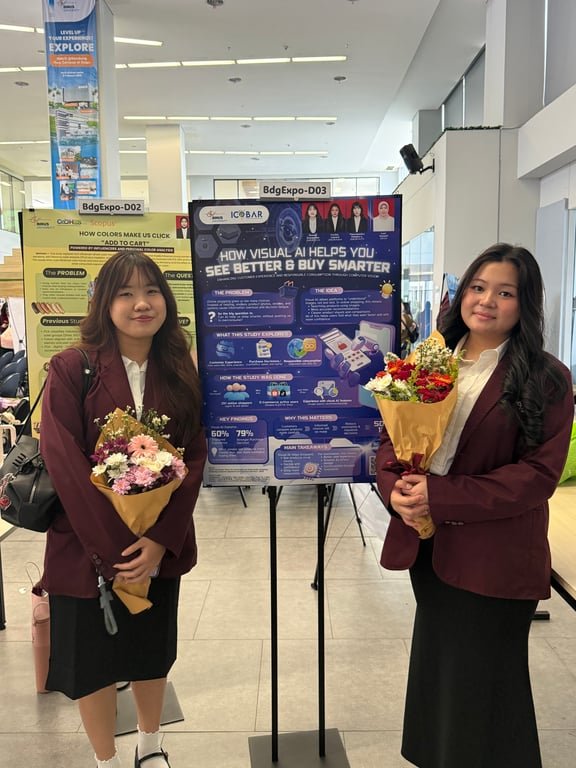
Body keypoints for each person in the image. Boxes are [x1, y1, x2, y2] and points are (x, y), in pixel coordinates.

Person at [376, 243, 573, 768]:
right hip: (430, 548)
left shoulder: (547, 377)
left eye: (505, 292)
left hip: (494, 558)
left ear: (524, 304)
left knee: (488, 693)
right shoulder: (428, 359)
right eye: (478, 287)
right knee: (441, 677)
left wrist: (439, 494)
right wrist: (394, 487)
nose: (486, 301)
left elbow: (535, 478)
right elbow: (392, 440)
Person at [39, 250, 207, 768]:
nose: (141, 304)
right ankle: (105, 760)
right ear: (104, 303)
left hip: (158, 545)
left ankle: (150, 747)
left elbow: (195, 454)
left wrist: (158, 542)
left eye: (152, 291)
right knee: (93, 664)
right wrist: (114, 553)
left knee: (151, 653)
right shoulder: (73, 367)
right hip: (85, 549)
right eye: (126, 293)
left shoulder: (179, 367)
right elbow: (63, 462)